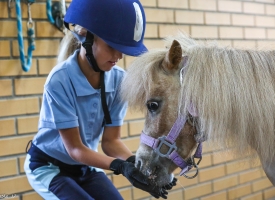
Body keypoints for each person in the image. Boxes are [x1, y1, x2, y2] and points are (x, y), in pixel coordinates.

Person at [24, 0, 176, 199]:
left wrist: (136, 166)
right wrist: (120, 167)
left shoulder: (119, 80)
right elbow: (75, 149)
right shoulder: (59, 81)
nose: (119, 55)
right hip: (50, 166)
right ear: (86, 36)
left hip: (85, 164)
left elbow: (111, 141)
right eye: (112, 46)